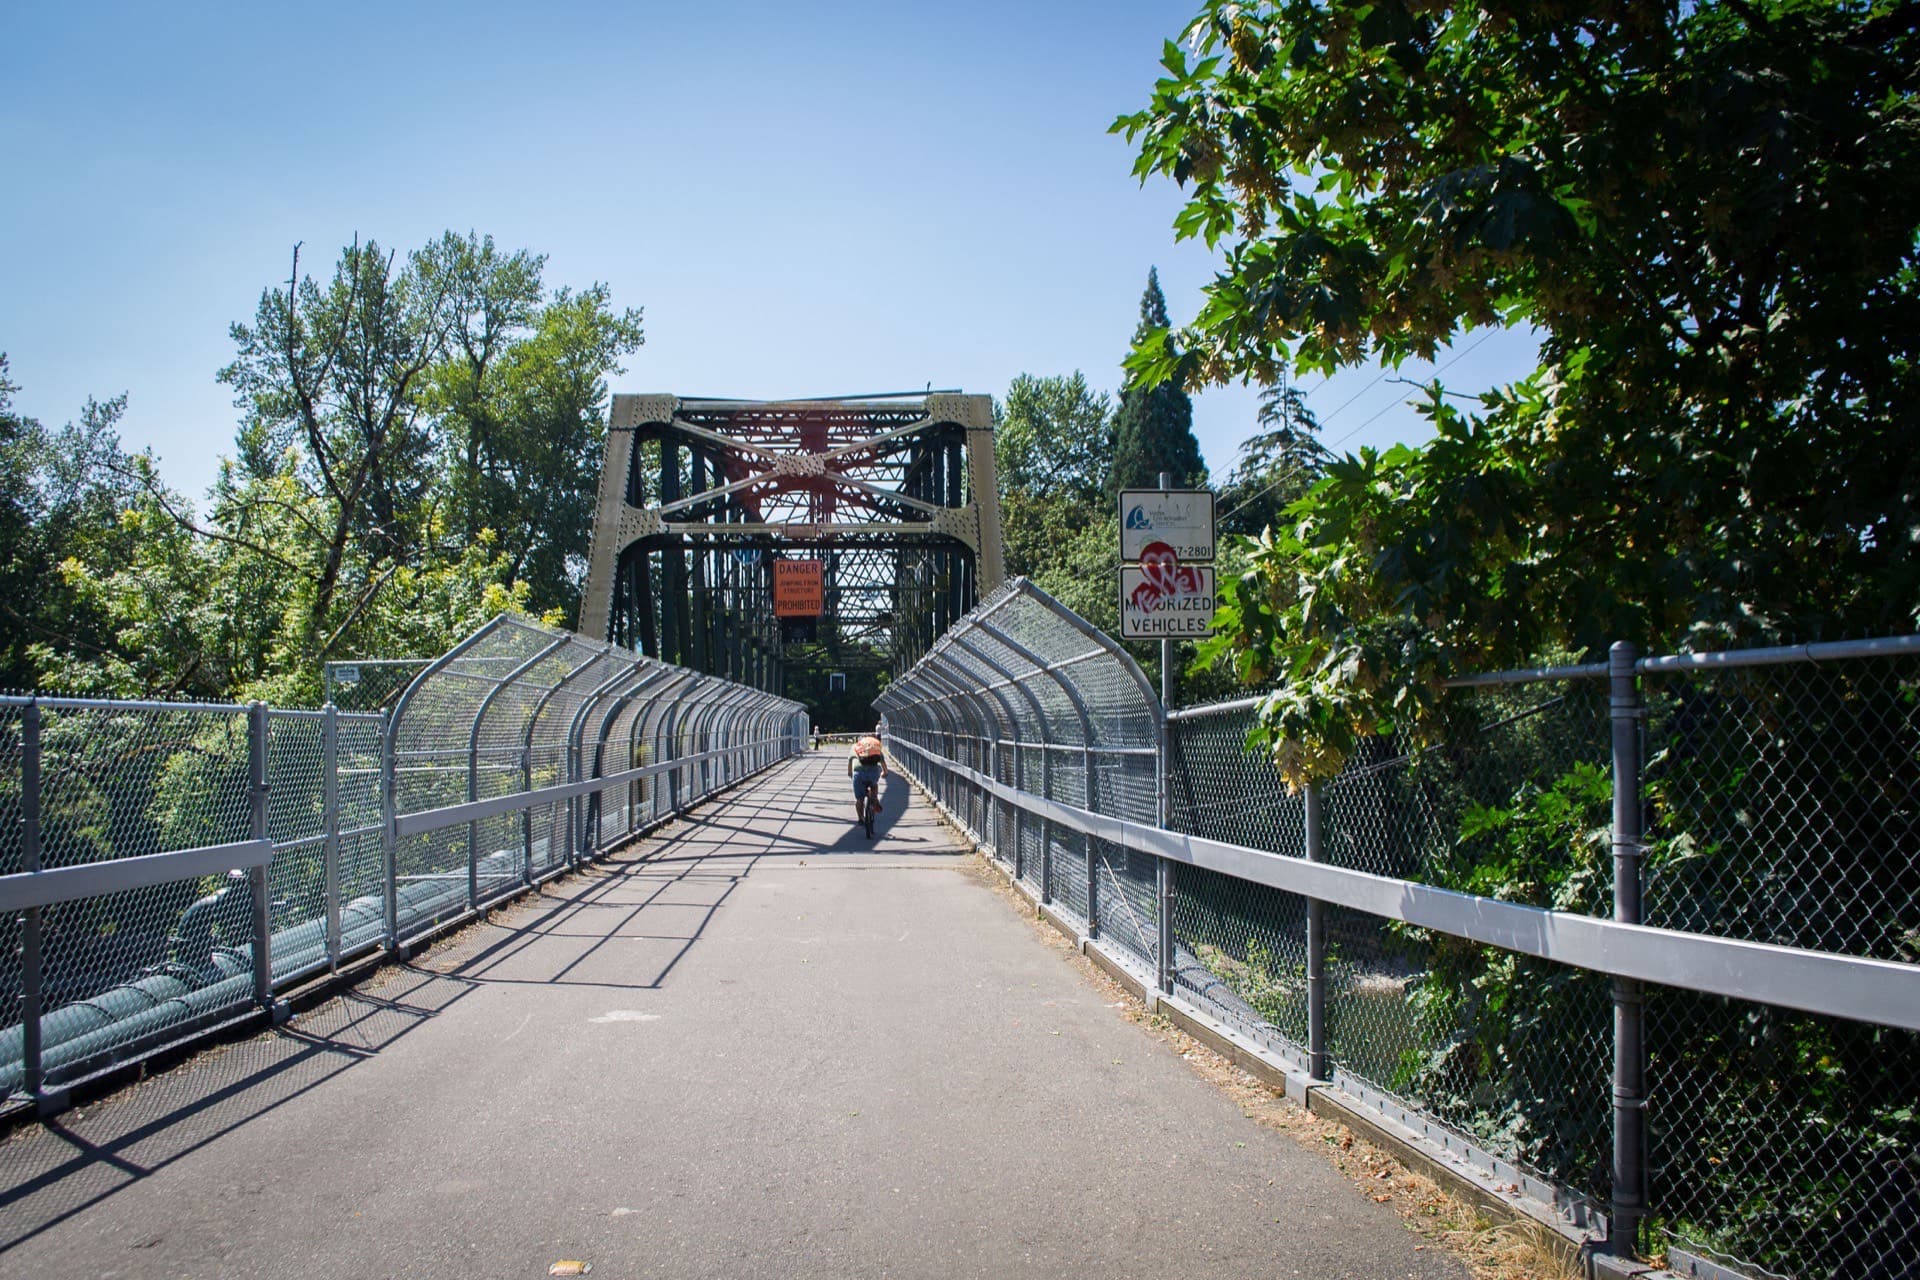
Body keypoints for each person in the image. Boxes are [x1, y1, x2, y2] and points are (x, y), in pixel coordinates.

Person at [848, 730, 886, 834]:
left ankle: (861, 818)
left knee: (859, 799)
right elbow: (882, 763)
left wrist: (850, 773)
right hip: (873, 772)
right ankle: (874, 798)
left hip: (859, 774)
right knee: (874, 783)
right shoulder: (874, 747)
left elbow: (850, 761)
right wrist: (884, 773)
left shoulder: (855, 747)